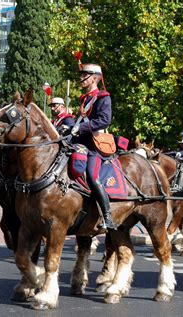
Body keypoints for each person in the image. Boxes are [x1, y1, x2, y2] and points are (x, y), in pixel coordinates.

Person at [71, 63, 116, 230]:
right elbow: (79, 121)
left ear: (95, 78)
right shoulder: (84, 99)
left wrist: (80, 128)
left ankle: (107, 217)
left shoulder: (103, 97)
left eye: (85, 75)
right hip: (79, 144)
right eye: (81, 75)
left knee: (92, 176)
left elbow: (105, 120)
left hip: (94, 146)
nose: (81, 78)